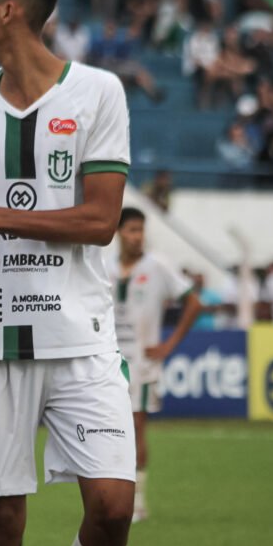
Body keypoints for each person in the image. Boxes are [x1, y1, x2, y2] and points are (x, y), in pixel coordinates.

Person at [0, 0, 135, 546]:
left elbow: (102, 220)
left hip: (81, 337)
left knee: (112, 510)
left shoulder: (100, 92)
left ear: (9, 9)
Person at [106, 207, 201, 522]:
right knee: (108, 430)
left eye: (141, 230)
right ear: (118, 232)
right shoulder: (105, 265)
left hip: (141, 362)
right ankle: (110, 497)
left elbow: (193, 302)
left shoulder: (157, 265)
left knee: (135, 426)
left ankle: (137, 502)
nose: (137, 236)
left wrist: (169, 344)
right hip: (108, 358)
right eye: (131, 230)